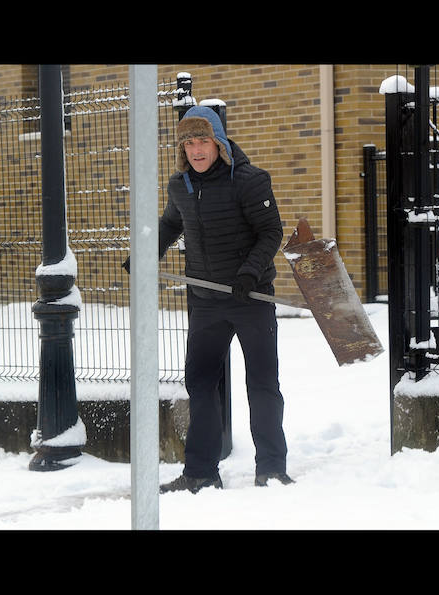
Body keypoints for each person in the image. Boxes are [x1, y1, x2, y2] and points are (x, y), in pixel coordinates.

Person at [124, 105, 294, 493]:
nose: (196, 150)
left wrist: (249, 272)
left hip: (250, 296)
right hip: (205, 300)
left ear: (218, 143)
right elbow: (170, 223)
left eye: (203, 141)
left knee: (263, 383)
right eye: (189, 142)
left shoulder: (250, 181)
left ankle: (271, 467)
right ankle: (201, 471)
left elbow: (271, 232)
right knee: (200, 383)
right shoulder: (180, 185)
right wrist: (146, 254)